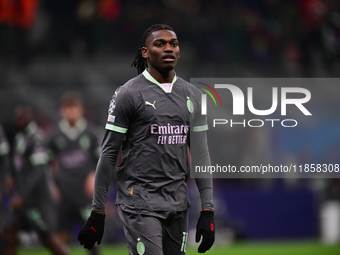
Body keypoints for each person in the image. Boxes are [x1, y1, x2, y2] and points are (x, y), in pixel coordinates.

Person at [78, 24, 215, 254]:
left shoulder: (193, 95)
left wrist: (208, 210)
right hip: (140, 203)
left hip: (178, 203)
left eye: (174, 44)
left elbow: (201, 155)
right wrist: (98, 210)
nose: (169, 48)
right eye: (160, 44)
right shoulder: (128, 94)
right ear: (145, 52)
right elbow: (109, 153)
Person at [4, 106, 70, 255]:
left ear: (30, 118)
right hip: (21, 201)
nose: (20, 122)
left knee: (47, 239)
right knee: (8, 235)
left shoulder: (36, 138)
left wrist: (23, 196)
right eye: (18, 119)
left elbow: (38, 172)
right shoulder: (20, 137)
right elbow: (18, 165)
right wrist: (10, 176)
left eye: (23, 118)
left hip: (36, 200)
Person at [47, 92, 101, 254]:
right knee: (61, 235)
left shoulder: (90, 133)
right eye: (67, 109)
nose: (71, 112)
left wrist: (94, 177)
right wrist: (51, 184)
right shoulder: (55, 134)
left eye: (74, 108)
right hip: (63, 192)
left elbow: (101, 160)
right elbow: (46, 163)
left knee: (91, 233)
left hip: (84, 193)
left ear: (81, 110)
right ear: (62, 111)